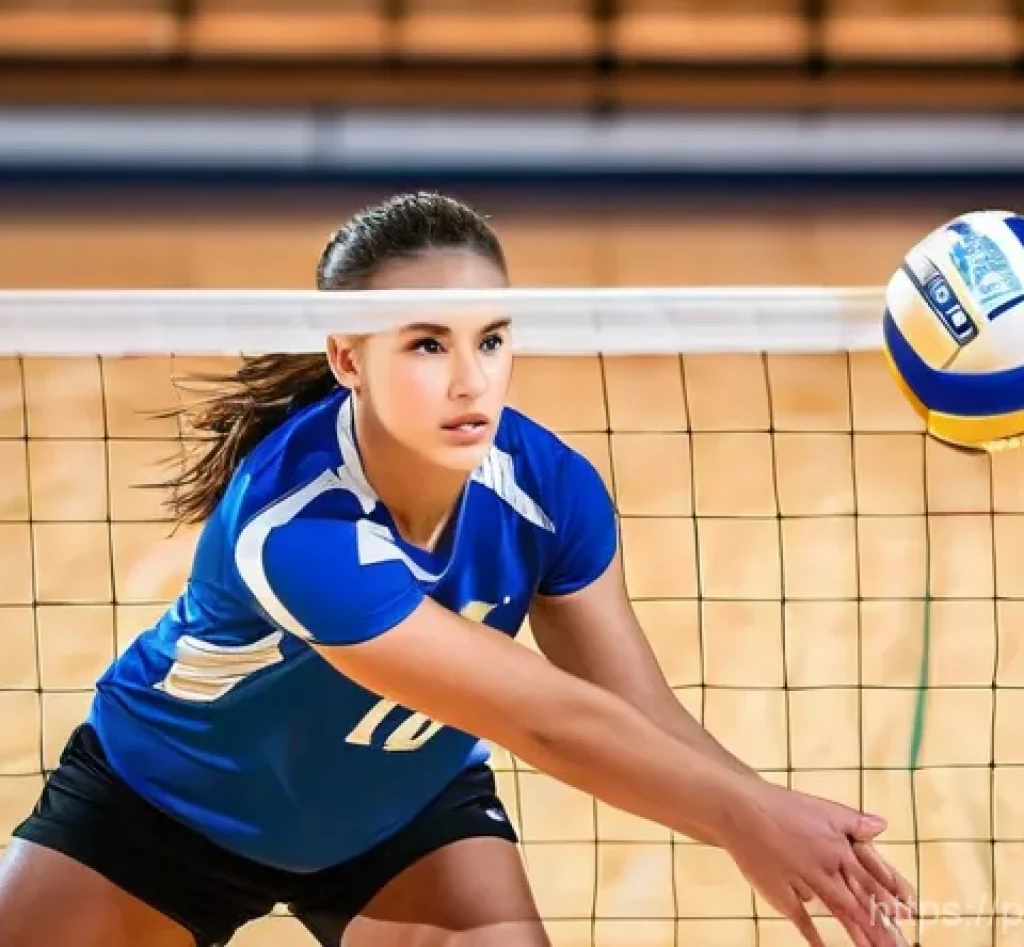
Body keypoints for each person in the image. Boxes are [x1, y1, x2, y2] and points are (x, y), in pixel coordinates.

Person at [0, 193, 914, 947]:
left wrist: (766, 811)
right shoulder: (297, 525)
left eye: (492, 339)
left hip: (398, 815)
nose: (471, 381)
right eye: (428, 344)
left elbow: (635, 707)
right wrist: (742, 822)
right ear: (347, 356)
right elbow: (544, 720)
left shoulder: (549, 490)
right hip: (166, 806)